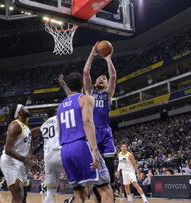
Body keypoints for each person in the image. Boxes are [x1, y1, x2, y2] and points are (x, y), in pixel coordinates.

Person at [59, 42, 117, 202]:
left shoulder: (108, 95)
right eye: (100, 77)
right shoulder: (89, 94)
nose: (103, 78)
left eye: (104, 78)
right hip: (89, 134)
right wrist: (92, 54)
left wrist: (108, 59)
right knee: (94, 177)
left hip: (104, 133)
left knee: (108, 177)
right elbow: (85, 73)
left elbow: (113, 76)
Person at [0, 104, 40, 203]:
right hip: (10, 161)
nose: (25, 108)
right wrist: (27, 161)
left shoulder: (25, 127)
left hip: (20, 161)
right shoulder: (15, 125)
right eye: (22, 108)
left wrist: (30, 155)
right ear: (19, 113)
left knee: (23, 196)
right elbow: (8, 149)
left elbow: (25, 142)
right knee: (18, 195)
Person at [40, 108, 64, 203]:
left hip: (48, 157)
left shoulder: (43, 125)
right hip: (60, 152)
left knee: (50, 192)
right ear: (55, 113)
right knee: (77, 186)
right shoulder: (59, 119)